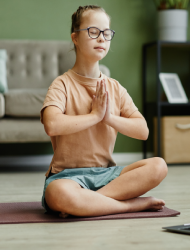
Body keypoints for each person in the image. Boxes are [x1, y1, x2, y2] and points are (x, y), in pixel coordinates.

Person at [40, 5, 168, 218]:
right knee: (58, 194)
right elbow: (51, 125)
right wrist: (94, 116)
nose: (101, 38)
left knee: (158, 166)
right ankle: (130, 205)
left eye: (106, 33)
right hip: (67, 177)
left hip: (107, 174)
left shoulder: (115, 88)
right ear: (75, 38)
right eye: (93, 31)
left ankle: (89, 203)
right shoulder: (61, 84)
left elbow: (143, 131)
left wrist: (108, 117)